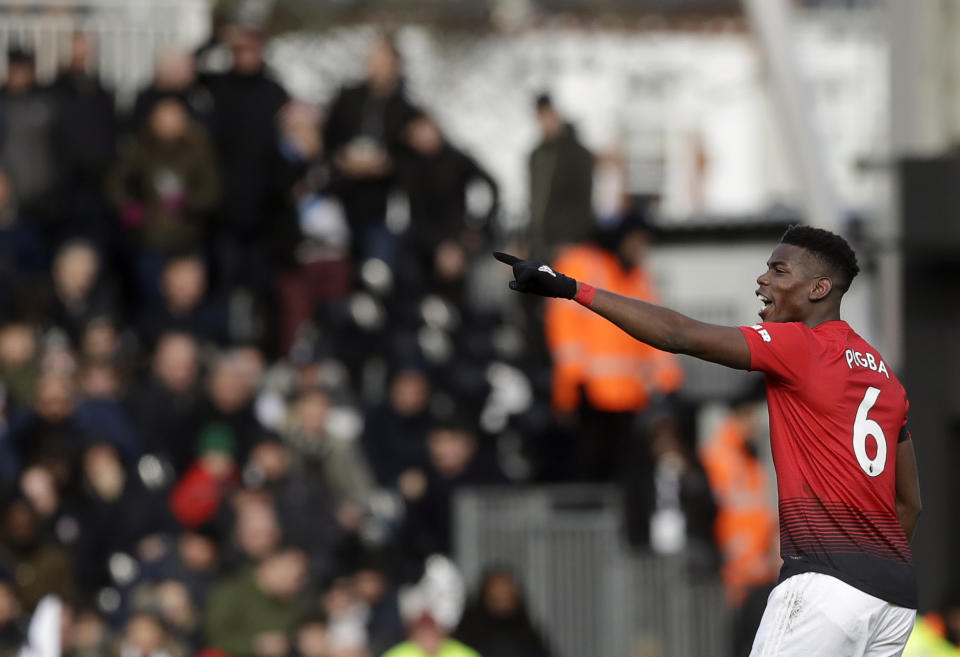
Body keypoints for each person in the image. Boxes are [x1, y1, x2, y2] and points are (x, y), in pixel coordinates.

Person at [495, 224, 922, 656]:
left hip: (826, 584)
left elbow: (677, 334)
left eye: (779, 270)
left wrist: (572, 289)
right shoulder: (884, 376)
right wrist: (868, 562)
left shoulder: (800, 345)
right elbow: (909, 505)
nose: (763, 279)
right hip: (893, 597)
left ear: (819, 288)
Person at [526, 94, 595, 263]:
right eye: (540, 115)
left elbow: (584, 201)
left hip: (568, 247)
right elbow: (534, 204)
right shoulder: (536, 155)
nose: (544, 121)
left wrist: (571, 240)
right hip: (539, 246)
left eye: (547, 114)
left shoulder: (579, 154)